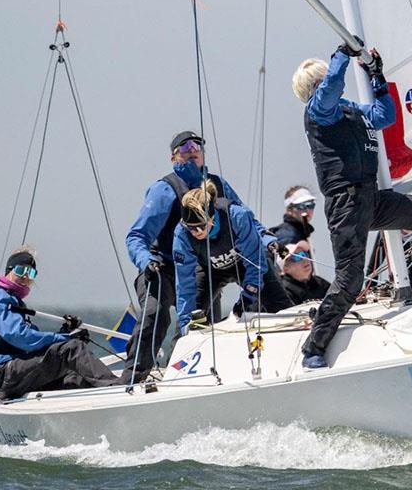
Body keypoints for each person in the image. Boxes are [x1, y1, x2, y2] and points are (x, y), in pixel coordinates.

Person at [292, 42, 412, 369]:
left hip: (373, 199)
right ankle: (314, 346)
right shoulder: (318, 110)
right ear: (316, 85)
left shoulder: (351, 109)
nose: (330, 81)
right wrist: (342, 54)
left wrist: (377, 77)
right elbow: (331, 87)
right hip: (346, 204)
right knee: (350, 281)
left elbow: (385, 115)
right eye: (324, 79)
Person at [122, 130, 287, 384]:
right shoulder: (165, 190)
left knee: (220, 321)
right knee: (161, 315)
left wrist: (269, 240)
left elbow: (247, 221)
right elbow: (136, 237)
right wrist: (146, 261)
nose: (193, 148)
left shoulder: (217, 184)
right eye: (185, 146)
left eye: (198, 144)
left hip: (214, 261)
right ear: (173, 156)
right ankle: (134, 378)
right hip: (164, 264)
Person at [0, 248, 119, 400]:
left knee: (76, 377)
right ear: (9, 270)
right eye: (21, 270)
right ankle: (119, 391)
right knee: (72, 349)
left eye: (31, 273)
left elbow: (34, 343)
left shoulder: (13, 301)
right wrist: (66, 339)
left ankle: (112, 408)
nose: (26, 276)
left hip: (13, 374)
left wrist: (65, 331)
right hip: (1, 373)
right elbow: (21, 337)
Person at [173, 181, 266, 333]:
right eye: (191, 227)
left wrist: (249, 295)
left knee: (279, 304)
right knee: (189, 319)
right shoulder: (182, 234)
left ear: (211, 217)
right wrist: (185, 325)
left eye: (201, 226)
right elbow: (184, 283)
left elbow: (257, 261)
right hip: (210, 269)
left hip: (244, 263)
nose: (196, 232)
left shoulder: (237, 216)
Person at [279, 240, 330, 306]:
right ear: (286, 267)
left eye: (304, 254)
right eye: (297, 257)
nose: (304, 259)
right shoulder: (284, 291)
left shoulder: (320, 283)